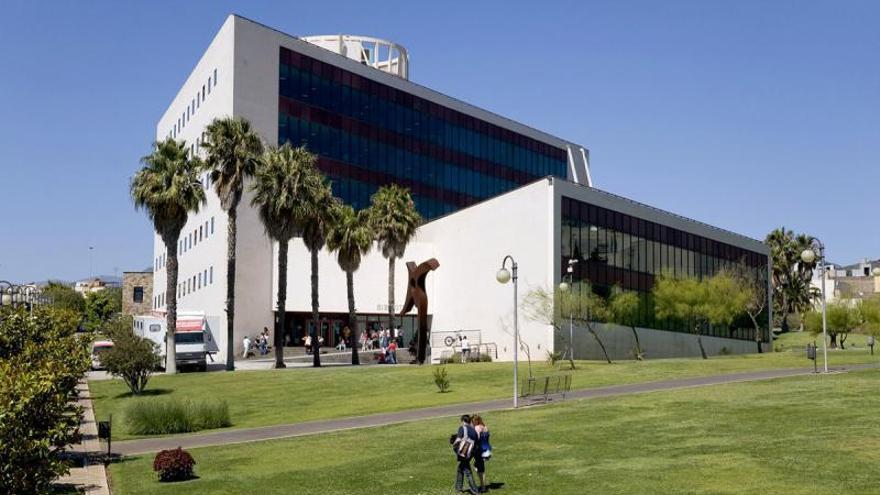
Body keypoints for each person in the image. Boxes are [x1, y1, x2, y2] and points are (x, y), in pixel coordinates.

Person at [451, 414, 480, 495]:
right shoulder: (473, 430)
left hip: (462, 452)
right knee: (460, 469)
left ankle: (475, 490)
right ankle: (458, 488)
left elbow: (459, 439)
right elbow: (476, 443)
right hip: (469, 453)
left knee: (468, 472)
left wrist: (454, 445)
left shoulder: (462, 428)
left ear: (463, 421)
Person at [472, 414, 491, 493]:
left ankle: (483, 487)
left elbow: (477, 438)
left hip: (479, 450)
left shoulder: (477, 428)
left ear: (476, 421)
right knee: (479, 467)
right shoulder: (485, 427)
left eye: (472, 421)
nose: (472, 423)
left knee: (480, 469)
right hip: (486, 449)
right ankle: (483, 485)